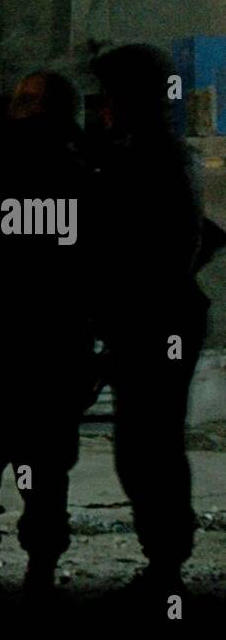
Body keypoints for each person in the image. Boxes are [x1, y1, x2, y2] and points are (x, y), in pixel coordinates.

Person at [0, 71, 97, 598]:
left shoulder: (1, 176)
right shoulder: (81, 179)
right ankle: (36, 577)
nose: (18, 110)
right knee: (40, 473)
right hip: (49, 359)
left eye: (26, 102)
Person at [90, 45, 209, 598]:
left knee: (147, 448)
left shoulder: (147, 156)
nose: (104, 108)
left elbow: (140, 253)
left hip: (153, 321)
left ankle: (166, 565)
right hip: (160, 319)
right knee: (151, 445)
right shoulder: (161, 152)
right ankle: (165, 561)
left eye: (112, 97)